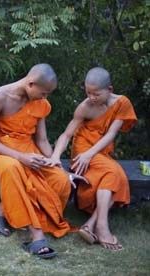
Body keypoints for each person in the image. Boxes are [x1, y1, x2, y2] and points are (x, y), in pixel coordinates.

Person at [0, 64, 71, 259]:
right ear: (31, 84)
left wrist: (55, 162)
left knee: (61, 180)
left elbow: (42, 140)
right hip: (1, 153)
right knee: (14, 168)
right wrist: (22, 158)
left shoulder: (41, 104)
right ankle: (36, 235)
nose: (45, 98)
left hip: (30, 151)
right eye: (43, 93)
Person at [48, 67, 137, 251]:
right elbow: (66, 135)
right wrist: (55, 156)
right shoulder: (85, 107)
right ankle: (102, 227)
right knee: (115, 173)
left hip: (99, 151)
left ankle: (92, 223)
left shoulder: (122, 103)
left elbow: (111, 134)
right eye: (88, 92)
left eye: (96, 93)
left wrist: (92, 154)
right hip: (82, 152)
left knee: (114, 176)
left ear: (110, 90)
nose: (91, 97)